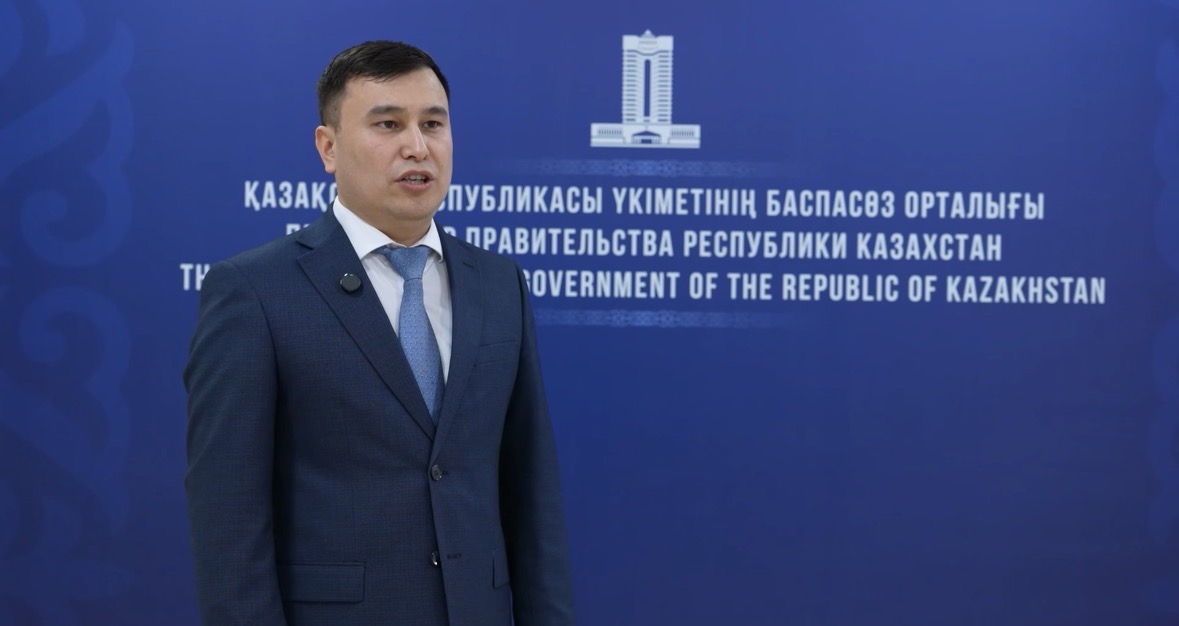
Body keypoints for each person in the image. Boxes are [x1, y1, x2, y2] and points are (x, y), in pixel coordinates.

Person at [183, 40, 575, 626]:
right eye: (388, 124)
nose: (417, 146)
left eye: (433, 124)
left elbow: (530, 489)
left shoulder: (499, 283)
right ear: (328, 147)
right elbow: (228, 514)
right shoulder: (255, 290)